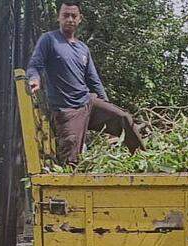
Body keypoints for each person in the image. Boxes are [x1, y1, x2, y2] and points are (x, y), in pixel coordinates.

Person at [26, 0, 144, 165]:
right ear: (58, 18)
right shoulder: (49, 40)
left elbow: (94, 81)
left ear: (80, 19)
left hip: (88, 102)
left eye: (73, 16)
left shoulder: (83, 49)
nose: (70, 19)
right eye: (66, 15)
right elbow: (35, 65)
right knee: (71, 159)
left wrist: (107, 107)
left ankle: (143, 159)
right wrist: (34, 79)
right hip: (67, 110)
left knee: (124, 118)